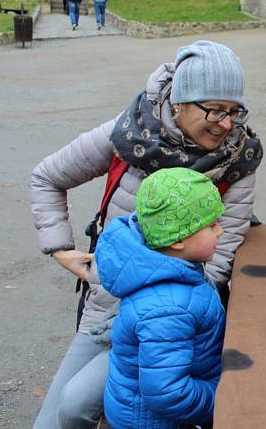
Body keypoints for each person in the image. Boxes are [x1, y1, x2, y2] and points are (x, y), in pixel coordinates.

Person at [31, 40, 262, 428]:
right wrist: (60, 249)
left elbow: (220, 257)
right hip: (106, 305)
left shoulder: (239, 158)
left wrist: (161, 314)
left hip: (168, 316)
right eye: (214, 110)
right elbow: (47, 177)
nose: (226, 125)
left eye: (234, 112)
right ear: (178, 103)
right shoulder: (128, 133)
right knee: (55, 418)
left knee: (79, 404)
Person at [96, 168, 226, 428]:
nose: (221, 231)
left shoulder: (174, 269)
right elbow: (168, 395)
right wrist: (223, 401)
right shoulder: (168, 309)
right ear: (178, 240)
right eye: (211, 225)